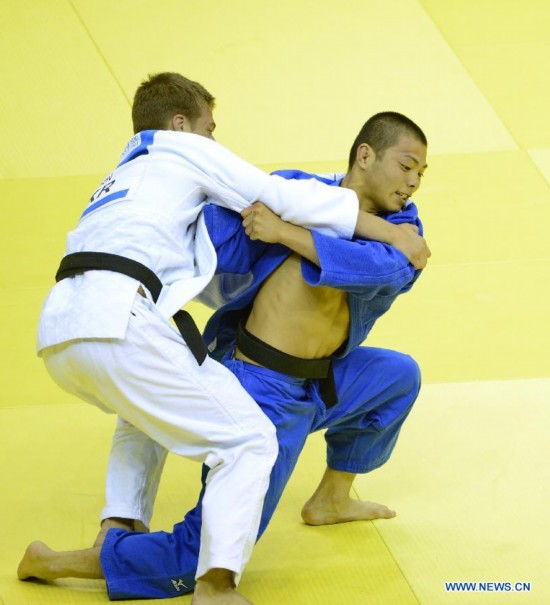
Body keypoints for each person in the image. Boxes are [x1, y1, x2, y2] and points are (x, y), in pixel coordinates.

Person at [17, 68, 427, 605]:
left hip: (324, 379)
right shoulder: (291, 187)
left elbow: (388, 269)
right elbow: (228, 242)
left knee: (397, 377)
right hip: (264, 382)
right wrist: (279, 227)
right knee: (207, 538)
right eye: (406, 165)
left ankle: (331, 499)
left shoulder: (404, 221)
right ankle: (85, 559)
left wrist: (286, 233)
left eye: (422, 172)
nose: (414, 181)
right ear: (365, 156)